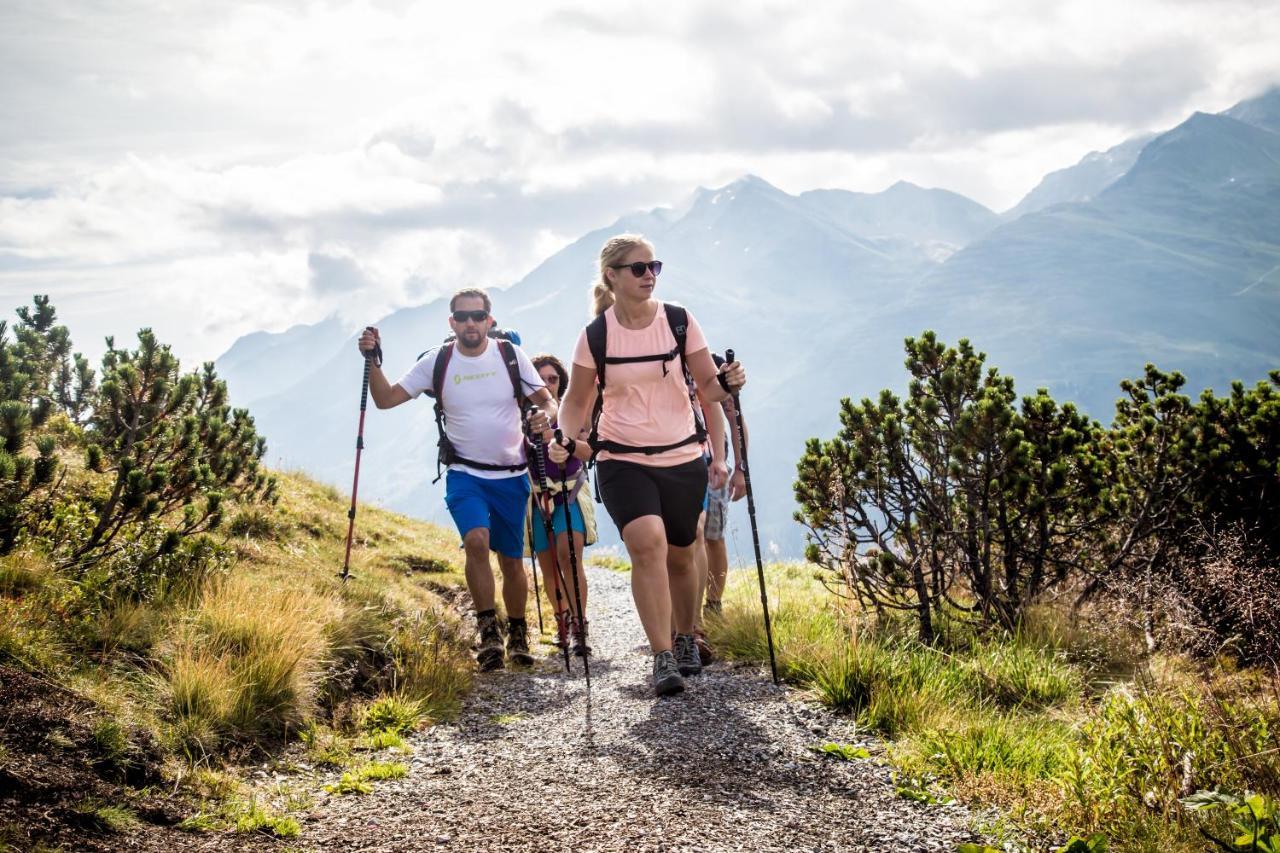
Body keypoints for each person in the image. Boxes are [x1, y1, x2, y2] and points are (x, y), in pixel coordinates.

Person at [551, 234, 745, 697]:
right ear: (611, 276)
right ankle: (661, 656)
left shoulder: (678, 321)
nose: (649, 276)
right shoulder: (596, 335)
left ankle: (684, 637)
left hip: (682, 456)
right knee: (647, 542)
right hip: (621, 458)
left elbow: (707, 389)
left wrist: (731, 382)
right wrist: (564, 436)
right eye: (638, 268)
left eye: (654, 266)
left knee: (683, 551)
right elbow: (576, 400)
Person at [357, 288, 557, 671]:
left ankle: (517, 631)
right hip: (465, 473)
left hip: (512, 475)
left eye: (477, 316)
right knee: (476, 541)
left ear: (489, 320)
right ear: (452, 322)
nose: (470, 323)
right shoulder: (439, 361)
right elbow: (385, 400)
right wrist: (373, 360)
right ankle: (489, 634)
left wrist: (545, 416)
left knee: (512, 562)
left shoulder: (510, 356)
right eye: (462, 317)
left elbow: (548, 400)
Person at [527, 353, 593, 657]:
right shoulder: (521, 415)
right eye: (541, 379)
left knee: (569, 554)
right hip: (537, 496)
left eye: (553, 379)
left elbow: (587, 448)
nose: (547, 384)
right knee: (549, 564)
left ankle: (579, 624)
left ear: (561, 382)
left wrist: (555, 436)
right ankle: (562, 621)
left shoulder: (572, 412)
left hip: (569, 491)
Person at [701, 356, 749, 621]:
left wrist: (740, 470)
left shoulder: (715, 366)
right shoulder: (667, 363)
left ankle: (714, 605)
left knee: (713, 536)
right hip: (676, 464)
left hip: (712, 467)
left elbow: (736, 422)